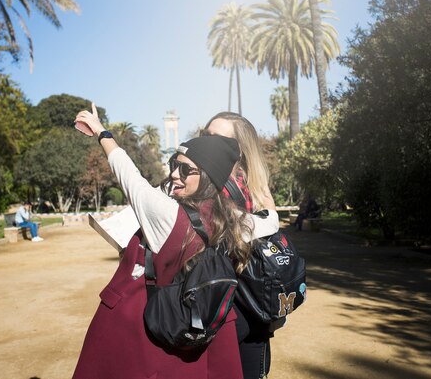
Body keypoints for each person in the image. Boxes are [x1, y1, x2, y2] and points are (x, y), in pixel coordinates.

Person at [72, 104, 279, 379]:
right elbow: (269, 222)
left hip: (148, 325)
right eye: (173, 165)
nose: (173, 174)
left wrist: (101, 132)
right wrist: (269, 203)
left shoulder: (166, 213)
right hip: (199, 331)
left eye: (184, 169)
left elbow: (126, 171)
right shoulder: (234, 221)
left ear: (206, 175)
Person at [203, 111, 277, 379]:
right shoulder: (255, 185)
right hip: (238, 304)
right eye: (206, 135)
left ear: (239, 148)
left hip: (239, 302)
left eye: (217, 138)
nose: (208, 142)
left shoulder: (244, 186)